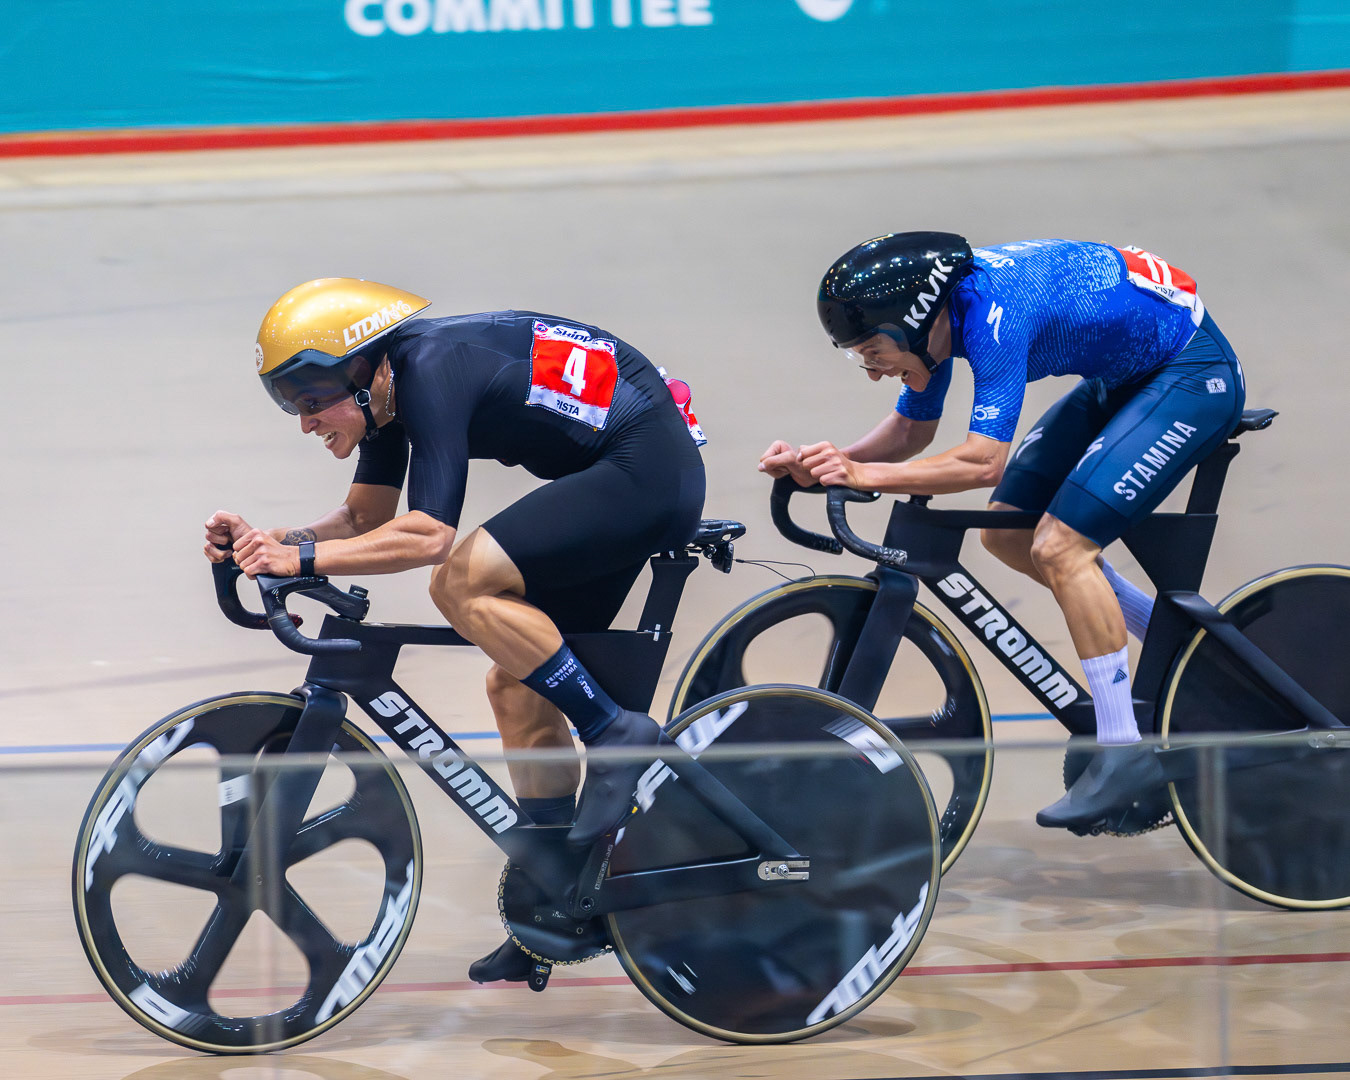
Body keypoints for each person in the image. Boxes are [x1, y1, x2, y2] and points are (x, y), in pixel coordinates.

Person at [205, 278, 706, 981]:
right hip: (617, 473)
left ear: (361, 367)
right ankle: (554, 904)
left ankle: (613, 730)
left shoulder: (432, 368)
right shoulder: (385, 397)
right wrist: (269, 542)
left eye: (311, 401)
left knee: (461, 578)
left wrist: (301, 557)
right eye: (292, 407)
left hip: (645, 471)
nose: (304, 422)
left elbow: (430, 538)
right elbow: (363, 521)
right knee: (516, 684)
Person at [759, 233, 1245, 830]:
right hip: (1124, 378)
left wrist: (863, 473)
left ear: (911, 321)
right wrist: (828, 467)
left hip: (1190, 373)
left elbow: (983, 461)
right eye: (857, 355)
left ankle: (1124, 751)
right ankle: (1184, 651)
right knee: (1006, 534)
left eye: (872, 351)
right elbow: (911, 436)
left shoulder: (995, 314)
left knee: (1062, 546)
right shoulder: (937, 321)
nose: (870, 370)